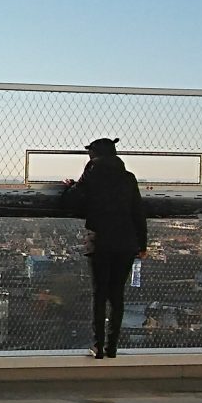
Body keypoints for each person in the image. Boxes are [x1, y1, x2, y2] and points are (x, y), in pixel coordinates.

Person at [62, 137, 147, 359]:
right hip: (126, 242)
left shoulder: (93, 173)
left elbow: (73, 200)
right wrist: (142, 244)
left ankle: (98, 346)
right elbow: (138, 212)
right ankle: (112, 347)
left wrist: (70, 187)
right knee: (117, 295)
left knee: (99, 294)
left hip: (100, 242)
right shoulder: (128, 178)